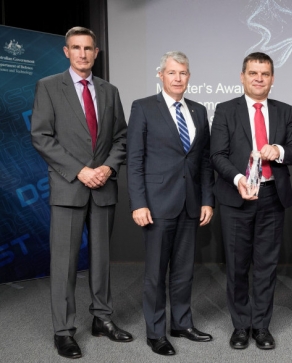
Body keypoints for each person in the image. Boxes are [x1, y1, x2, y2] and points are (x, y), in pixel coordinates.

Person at [31, 26, 132, 359]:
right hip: (69, 187)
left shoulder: (109, 90)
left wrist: (108, 168)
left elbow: (121, 137)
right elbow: (42, 137)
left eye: (88, 48)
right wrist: (80, 170)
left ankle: (102, 319)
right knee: (65, 264)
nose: (83, 54)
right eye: (76, 48)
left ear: (96, 52)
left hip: (104, 187)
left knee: (101, 261)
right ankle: (63, 331)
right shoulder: (48, 87)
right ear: (66, 52)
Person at [210, 52, 292, 350]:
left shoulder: (284, 110)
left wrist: (280, 150)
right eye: (253, 73)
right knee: (237, 267)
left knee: (266, 266)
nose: (259, 78)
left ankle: (261, 326)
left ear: (272, 79)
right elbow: (217, 156)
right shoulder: (225, 110)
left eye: (265, 74)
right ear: (242, 77)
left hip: (272, 198)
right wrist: (238, 180)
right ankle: (240, 326)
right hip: (237, 198)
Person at [126, 51, 214, 357]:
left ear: (189, 77)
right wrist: (138, 203)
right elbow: (134, 160)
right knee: (155, 273)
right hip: (156, 204)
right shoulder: (144, 107)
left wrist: (207, 200)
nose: (178, 78)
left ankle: (181, 323)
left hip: (191, 204)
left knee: (184, 270)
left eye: (184, 73)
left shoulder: (200, 111)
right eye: (172, 72)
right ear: (161, 75)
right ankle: (155, 332)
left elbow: (202, 160)